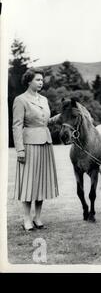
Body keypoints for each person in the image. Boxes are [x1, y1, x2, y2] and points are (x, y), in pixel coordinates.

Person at [13, 68, 59, 231]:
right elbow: (17, 126)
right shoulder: (20, 100)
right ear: (29, 81)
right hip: (29, 145)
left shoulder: (44, 100)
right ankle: (26, 219)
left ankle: (37, 218)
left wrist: (62, 115)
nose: (41, 82)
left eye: (42, 80)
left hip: (45, 143)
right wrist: (20, 149)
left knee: (42, 181)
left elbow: (45, 122)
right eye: (38, 80)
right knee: (28, 182)